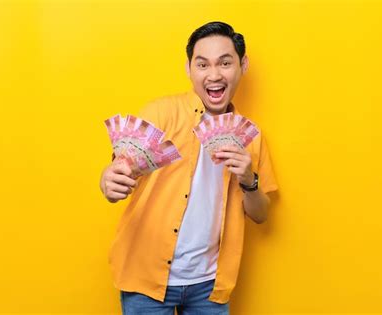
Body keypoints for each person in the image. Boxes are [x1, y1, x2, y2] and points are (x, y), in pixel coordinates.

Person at [100, 21, 278, 315]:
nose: (214, 75)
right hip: (146, 280)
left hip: (209, 285)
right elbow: (115, 176)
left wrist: (248, 179)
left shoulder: (252, 137)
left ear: (242, 65)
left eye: (225, 63)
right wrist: (107, 181)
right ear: (189, 69)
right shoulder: (160, 112)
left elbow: (260, 214)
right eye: (203, 65)